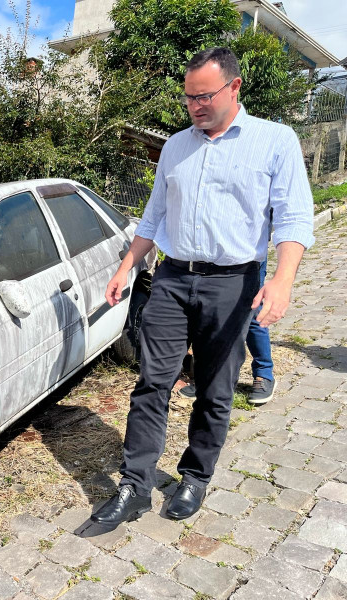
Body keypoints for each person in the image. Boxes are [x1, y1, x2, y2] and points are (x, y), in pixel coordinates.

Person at [91, 47, 314, 526]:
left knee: (215, 388)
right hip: (172, 278)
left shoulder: (275, 140)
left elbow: (294, 216)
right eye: (189, 98)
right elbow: (155, 214)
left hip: (233, 284)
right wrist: (127, 265)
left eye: (205, 96)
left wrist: (282, 279)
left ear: (234, 88)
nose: (195, 106)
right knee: (153, 382)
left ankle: (195, 476)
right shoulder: (176, 146)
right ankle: (135, 485)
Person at [180, 257, 275, 405]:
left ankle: (264, 374)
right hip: (212, 258)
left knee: (251, 310)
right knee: (210, 314)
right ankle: (207, 379)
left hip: (248, 257)